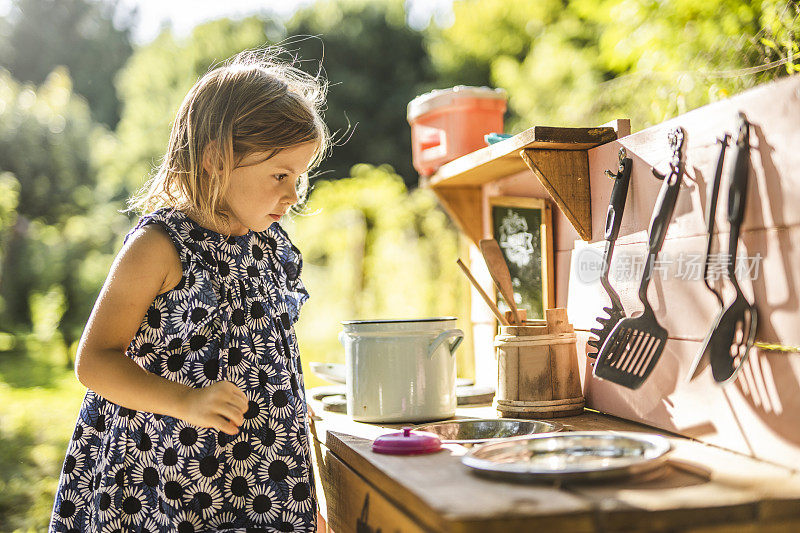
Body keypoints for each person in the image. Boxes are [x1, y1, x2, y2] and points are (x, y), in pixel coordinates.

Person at [49, 47, 330, 532]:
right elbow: (94, 360)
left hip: (264, 481)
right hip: (165, 482)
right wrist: (187, 401)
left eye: (300, 177)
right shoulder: (159, 247)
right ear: (216, 160)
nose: (293, 194)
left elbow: (273, 354)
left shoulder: (265, 244)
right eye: (280, 175)